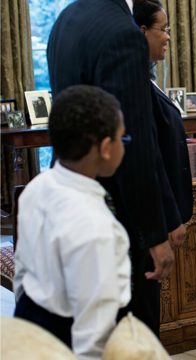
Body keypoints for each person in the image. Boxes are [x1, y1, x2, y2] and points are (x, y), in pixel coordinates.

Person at [47, 0, 183, 335]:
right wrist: (154, 233)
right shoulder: (122, 32)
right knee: (132, 331)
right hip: (118, 212)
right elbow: (133, 143)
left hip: (72, 196)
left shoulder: (67, 17)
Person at [13, 85, 131, 360]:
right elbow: (94, 334)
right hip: (67, 338)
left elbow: (22, 271)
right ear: (105, 148)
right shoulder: (95, 227)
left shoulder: (36, 187)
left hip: (30, 318)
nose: (123, 146)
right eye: (122, 139)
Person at [134, 0, 193, 247]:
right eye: (164, 28)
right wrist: (168, 219)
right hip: (155, 219)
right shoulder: (135, 85)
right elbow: (150, 157)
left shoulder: (147, 77)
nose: (168, 37)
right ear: (142, 31)